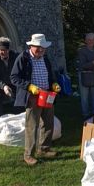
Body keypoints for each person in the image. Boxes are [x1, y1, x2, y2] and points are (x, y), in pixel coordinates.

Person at [10, 34, 61, 166]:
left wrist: (54, 84)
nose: (41, 50)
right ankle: (28, 155)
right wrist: (29, 86)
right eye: (38, 47)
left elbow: (50, 75)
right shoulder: (23, 58)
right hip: (32, 96)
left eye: (43, 48)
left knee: (48, 123)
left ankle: (44, 149)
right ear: (31, 46)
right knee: (32, 126)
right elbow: (14, 77)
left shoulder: (45, 58)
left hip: (47, 95)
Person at [77, 32, 94, 119]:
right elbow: (81, 66)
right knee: (84, 97)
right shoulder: (81, 51)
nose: (90, 41)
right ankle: (86, 115)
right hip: (84, 76)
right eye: (88, 40)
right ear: (86, 41)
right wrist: (92, 63)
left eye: (92, 40)